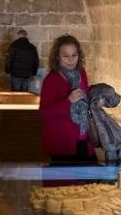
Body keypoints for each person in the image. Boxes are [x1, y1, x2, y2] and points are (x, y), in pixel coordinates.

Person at [39, 34, 96, 162]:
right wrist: (68, 101)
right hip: (62, 141)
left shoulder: (81, 73)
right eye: (65, 56)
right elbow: (44, 114)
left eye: (74, 55)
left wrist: (95, 94)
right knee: (68, 181)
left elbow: (85, 94)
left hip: (83, 136)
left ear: (79, 55)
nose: (71, 60)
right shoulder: (52, 80)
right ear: (57, 57)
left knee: (91, 178)